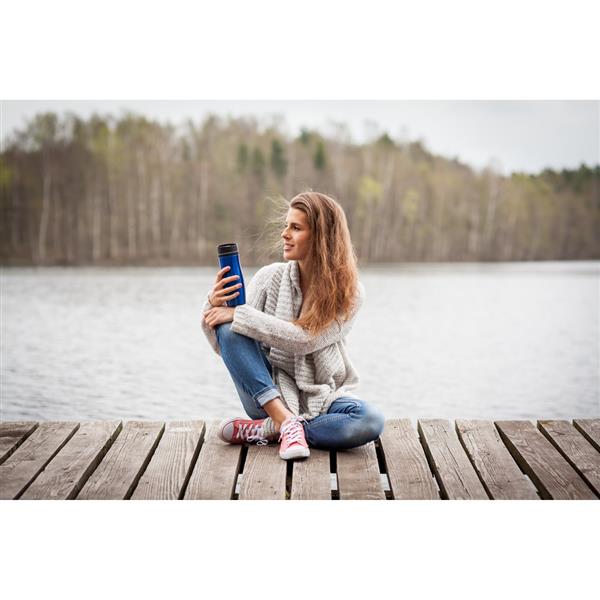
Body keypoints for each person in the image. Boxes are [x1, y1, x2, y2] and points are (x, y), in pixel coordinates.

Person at [201, 191, 385, 460]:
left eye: (296, 228)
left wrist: (239, 315)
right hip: (266, 395)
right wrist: (212, 304)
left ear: (322, 237)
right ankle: (282, 419)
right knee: (230, 329)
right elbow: (227, 344)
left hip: (322, 398)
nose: (284, 234)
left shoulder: (351, 293)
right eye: (286, 226)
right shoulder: (268, 278)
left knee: (370, 420)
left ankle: (271, 429)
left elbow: (306, 340)